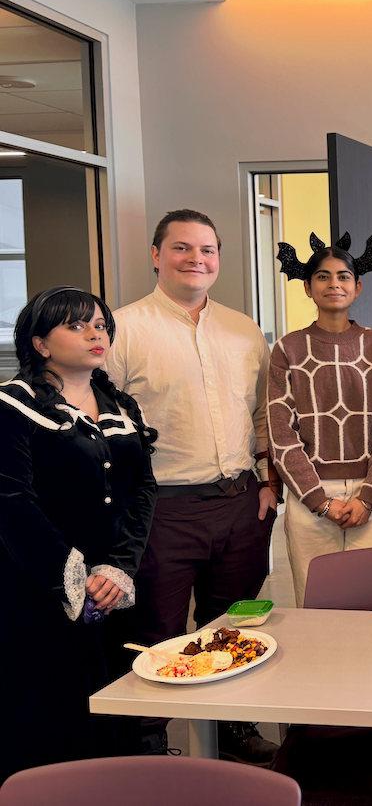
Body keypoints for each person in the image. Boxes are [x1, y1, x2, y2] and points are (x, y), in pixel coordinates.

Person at [105, 209, 280, 764]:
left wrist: (267, 480)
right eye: (181, 248)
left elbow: (261, 414)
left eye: (207, 250)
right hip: (164, 508)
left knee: (235, 620)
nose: (196, 259)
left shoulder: (244, 329)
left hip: (241, 503)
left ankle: (233, 727)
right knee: (155, 627)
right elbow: (103, 421)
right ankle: (149, 741)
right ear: (156, 256)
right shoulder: (122, 328)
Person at [0, 287, 156, 780]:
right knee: (53, 712)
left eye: (101, 325)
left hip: (112, 588)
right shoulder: (11, 404)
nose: (96, 333)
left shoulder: (119, 404)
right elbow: (10, 501)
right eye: (77, 325)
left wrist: (119, 566)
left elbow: (142, 490)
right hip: (37, 591)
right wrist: (71, 575)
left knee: (116, 702)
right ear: (41, 343)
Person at [268, 233, 372, 607]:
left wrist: (369, 496)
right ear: (308, 288)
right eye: (323, 277)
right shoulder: (287, 349)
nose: (334, 284)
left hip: (369, 498)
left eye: (343, 276)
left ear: (357, 287)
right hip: (310, 498)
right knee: (316, 604)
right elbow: (282, 435)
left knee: (371, 605)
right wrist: (320, 501)